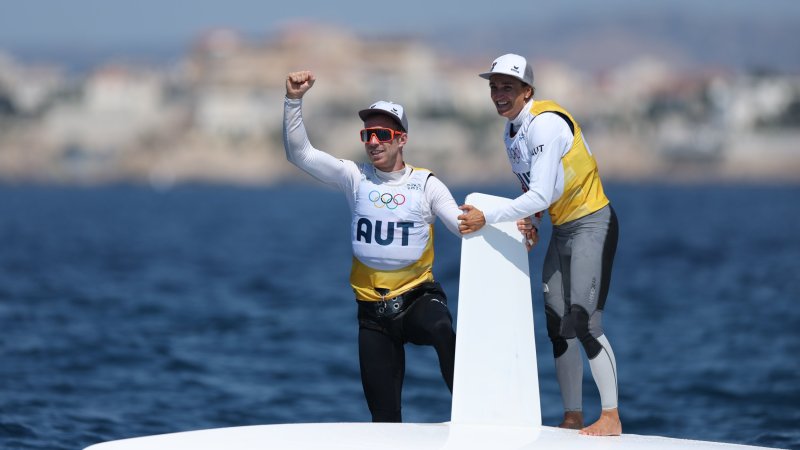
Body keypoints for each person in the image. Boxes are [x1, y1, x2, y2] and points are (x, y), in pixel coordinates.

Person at [283, 70, 462, 423]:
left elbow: (460, 224)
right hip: (373, 314)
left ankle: (476, 417)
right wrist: (293, 100)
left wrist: (511, 225)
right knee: (384, 422)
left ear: (402, 139)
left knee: (442, 331)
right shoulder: (354, 177)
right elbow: (299, 153)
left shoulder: (427, 184)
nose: (374, 141)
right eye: (368, 134)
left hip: (418, 299)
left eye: (383, 134)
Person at [457, 54, 622, 436]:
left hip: (592, 224)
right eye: (494, 87)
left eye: (508, 87)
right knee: (557, 323)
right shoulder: (510, 133)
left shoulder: (544, 124)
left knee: (584, 321)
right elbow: (537, 193)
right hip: (563, 229)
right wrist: (531, 222)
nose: (499, 94)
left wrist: (488, 216)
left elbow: (542, 191)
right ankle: (573, 416)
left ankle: (611, 416)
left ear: (527, 91)